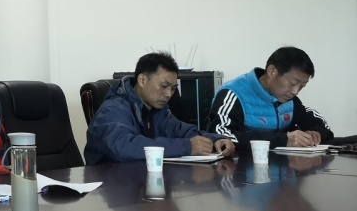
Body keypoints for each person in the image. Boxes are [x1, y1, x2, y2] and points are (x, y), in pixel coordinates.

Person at [85, 51, 235, 164]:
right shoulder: (112, 109)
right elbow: (124, 147)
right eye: (164, 86)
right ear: (142, 80)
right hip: (111, 186)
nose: (169, 94)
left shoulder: (158, 111)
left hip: (142, 182)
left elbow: (184, 131)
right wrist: (187, 147)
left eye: (173, 88)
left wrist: (216, 140)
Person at [206, 46, 333, 148]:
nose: (296, 91)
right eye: (293, 83)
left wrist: (316, 133)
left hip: (281, 169)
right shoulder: (234, 93)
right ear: (272, 71)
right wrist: (283, 140)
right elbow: (219, 135)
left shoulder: (288, 98)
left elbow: (321, 125)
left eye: (302, 86)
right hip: (238, 169)